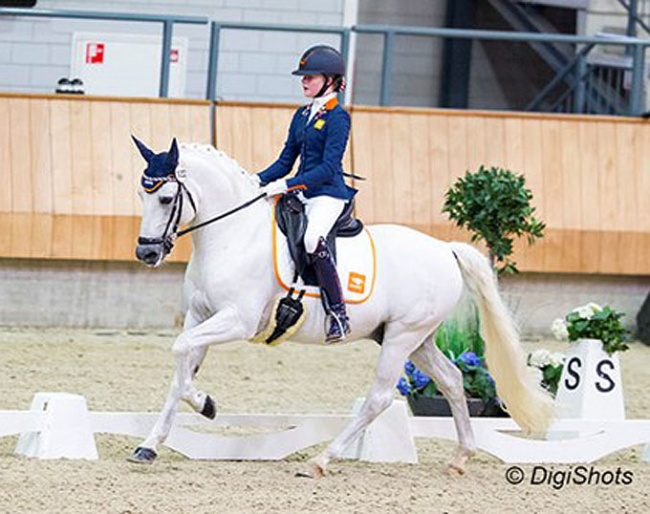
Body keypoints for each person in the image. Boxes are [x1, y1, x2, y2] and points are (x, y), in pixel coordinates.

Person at [255, 44, 356, 344]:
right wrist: (253, 180)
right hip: (303, 192)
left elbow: (327, 168)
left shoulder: (338, 117)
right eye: (303, 76)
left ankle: (338, 312)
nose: (304, 81)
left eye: (311, 76)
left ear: (330, 80)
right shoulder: (301, 115)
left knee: (313, 239)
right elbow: (286, 161)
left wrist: (286, 185)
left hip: (328, 193)